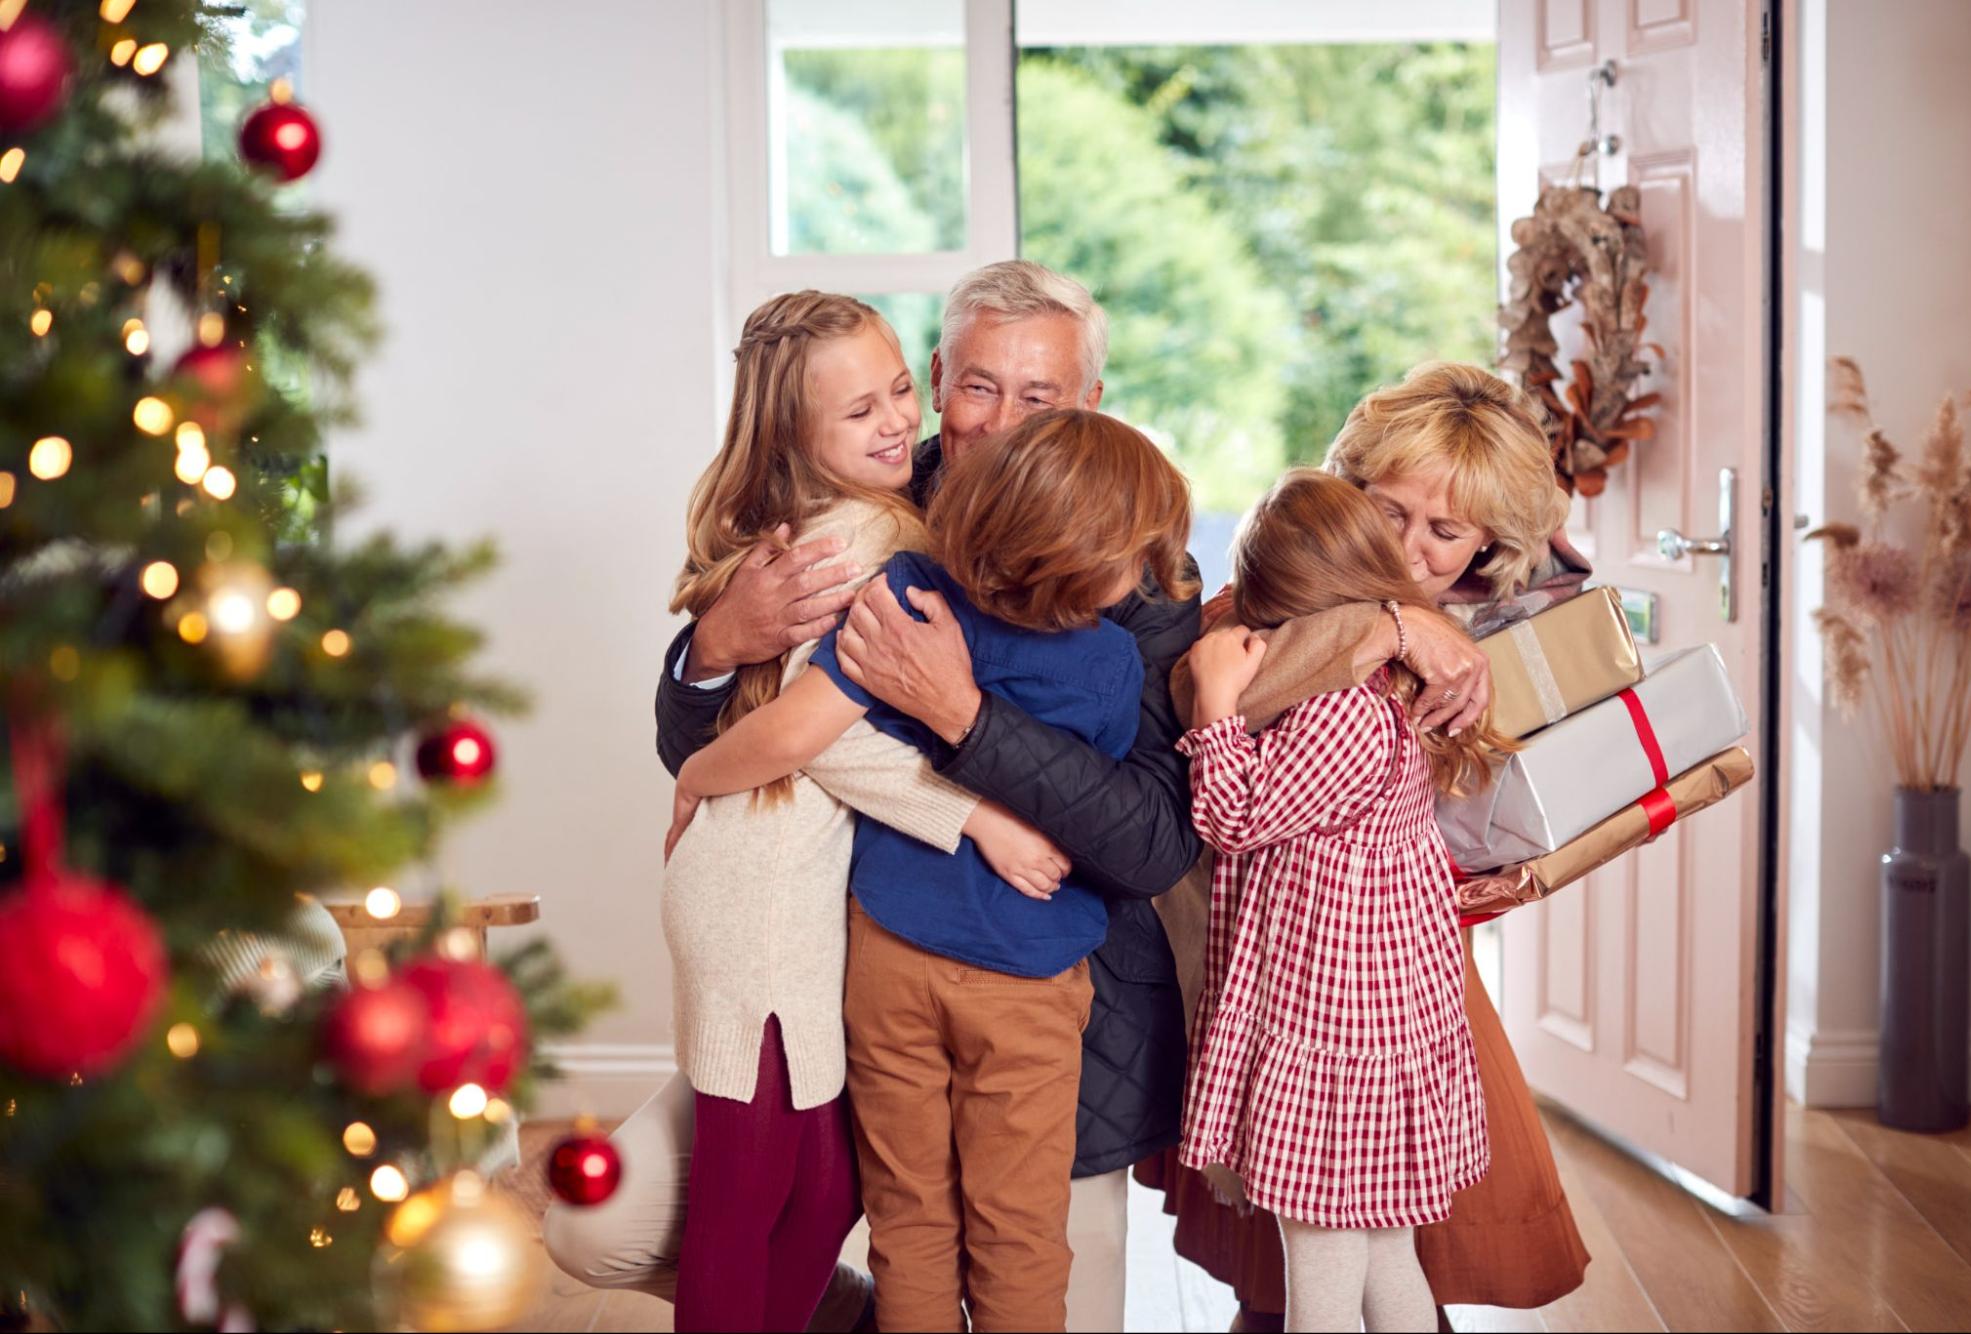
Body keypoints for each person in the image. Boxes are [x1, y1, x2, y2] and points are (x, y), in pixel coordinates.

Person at [651, 262, 1491, 1331]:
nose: (1003, 424)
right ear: (937, 382)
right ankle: (830, 1303)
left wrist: (962, 717)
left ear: (1088, 403)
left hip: (1053, 1015)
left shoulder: (1135, 575)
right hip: (828, 980)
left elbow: (1149, 840)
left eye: (1039, 397)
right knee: (625, 1220)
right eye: (976, 387)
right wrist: (716, 646)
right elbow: (721, 743)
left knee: (1021, 1265)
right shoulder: (853, 505)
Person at [548, 291, 1068, 1331]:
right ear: (794, 431)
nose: (894, 424)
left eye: (897, 393)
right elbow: (822, 734)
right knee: (747, 1195)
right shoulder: (862, 536)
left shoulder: (888, 509)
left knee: (824, 1188)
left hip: (784, 881)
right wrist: (976, 818)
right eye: (856, 411)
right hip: (757, 898)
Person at [668, 409, 1195, 1331]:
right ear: (1098, 563)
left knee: (908, 1220)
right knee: (1018, 1230)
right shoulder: (1111, 664)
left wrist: (699, 778)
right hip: (1023, 983)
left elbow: (800, 730)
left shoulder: (908, 585)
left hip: (889, 958)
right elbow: (1104, 820)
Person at [1140, 362, 1593, 1328]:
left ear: (1485, 544)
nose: (1412, 549)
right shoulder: (1300, 591)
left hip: (1369, 973)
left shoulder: (1487, 628)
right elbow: (1211, 679)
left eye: (1445, 531)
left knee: (1367, 1220)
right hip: (1287, 956)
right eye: (1388, 511)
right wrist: (1385, 619)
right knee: (1324, 1231)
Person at [1178, 470, 1507, 1332]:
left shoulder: (1337, 714)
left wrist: (1216, 703)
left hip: (1336, 1037)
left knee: (1319, 1272)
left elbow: (1234, 816)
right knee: (1382, 1252)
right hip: (1369, 1028)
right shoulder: (1377, 695)